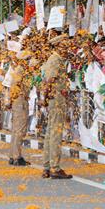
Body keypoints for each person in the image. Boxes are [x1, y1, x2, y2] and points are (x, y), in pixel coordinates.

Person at [40, 40, 72, 179]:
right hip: (56, 100)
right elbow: (49, 82)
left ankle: (47, 167)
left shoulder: (57, 59)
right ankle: (54, 168)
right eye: (64, 45)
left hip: (55, 99)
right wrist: (45, 98)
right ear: (58, 46)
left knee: (50, 133)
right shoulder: (54, 59)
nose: (67, 48)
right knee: (55, 134)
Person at [7, 55, 35, 166]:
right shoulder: (21, 70)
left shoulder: (19, 70)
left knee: (15, 130)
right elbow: (17, 86)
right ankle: (16, 157)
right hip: (20, 101)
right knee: (20, 130)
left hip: (17, 101)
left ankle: (12, 155)